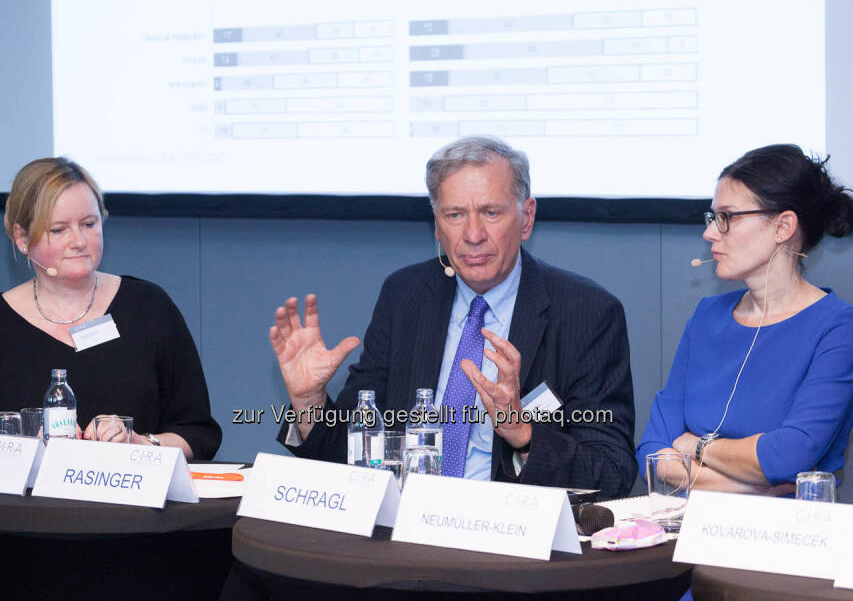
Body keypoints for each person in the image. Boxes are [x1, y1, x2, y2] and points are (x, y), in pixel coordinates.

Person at [269, 136, 636, 493]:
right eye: (455, 215)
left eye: (491, 213)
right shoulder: (406, 296)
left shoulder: (587, 313)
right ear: (436, 224)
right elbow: (351, 456)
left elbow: (612, 470)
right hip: (404, 534)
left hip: (507, 536)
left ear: (526, 218)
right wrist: (309, 401)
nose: (473, 234)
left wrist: (523, 435)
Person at [638, 144, 853, 601]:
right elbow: (653, 455)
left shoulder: (840, 325)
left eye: (726, 218)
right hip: (690, 552)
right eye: (711, 218)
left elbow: (791, 455)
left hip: (780, 564)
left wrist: (695, 447)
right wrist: (756, 488)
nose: (709, 233)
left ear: (783, 225)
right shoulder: (707, 316)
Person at [0, 157, 221, 459]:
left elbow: (199, 435)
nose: (79, 241)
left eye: (89, 224)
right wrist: (22, 450)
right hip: (23, 507)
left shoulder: (149, 308)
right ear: (21, 237)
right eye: (58, 230)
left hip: (132, 503)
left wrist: (139, 443)